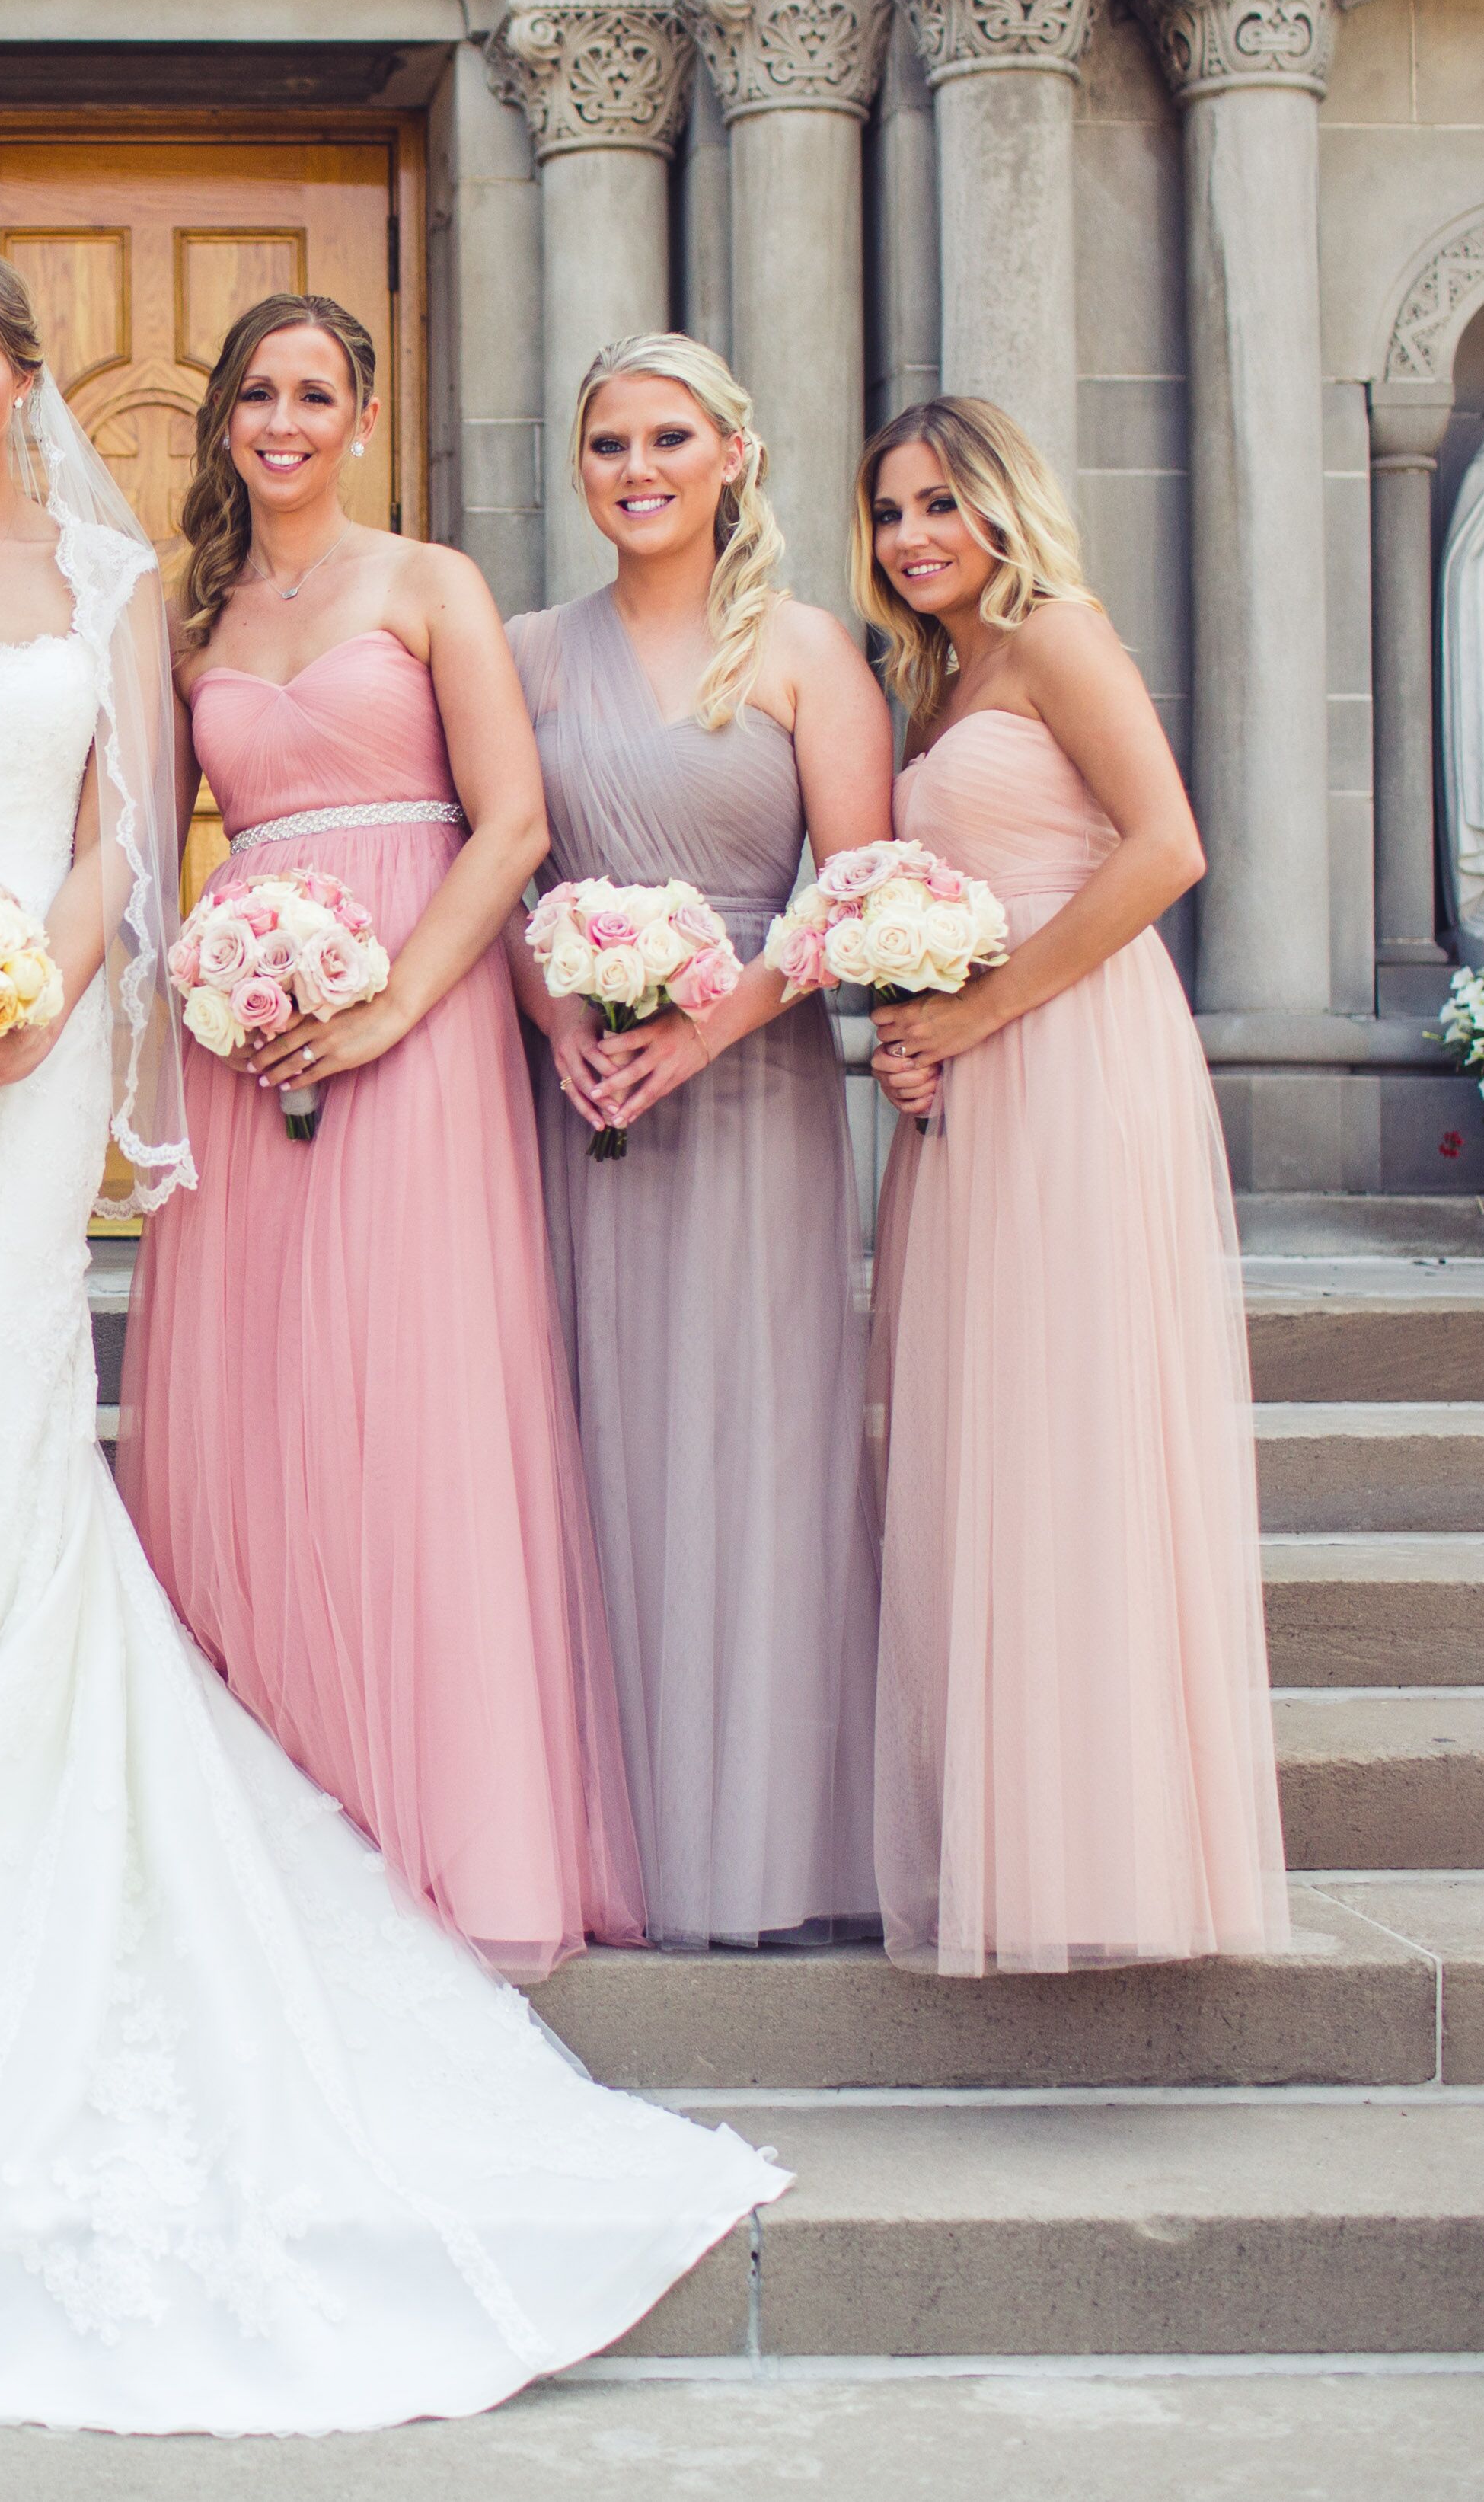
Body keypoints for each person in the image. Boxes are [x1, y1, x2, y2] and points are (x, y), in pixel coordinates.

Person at [0, 247, 783, 2439]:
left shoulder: (121, 577)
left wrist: (28, 977)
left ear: (28, 385)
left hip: (33, 1026)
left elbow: (134, 814)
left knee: (6, 1383)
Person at [114, 292, 636, 1979]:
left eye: (313, 392)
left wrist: (404, 1000)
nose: (281, 419)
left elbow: (514, 823)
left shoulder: (427, 583)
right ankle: (274, 1802)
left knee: (408, 1393)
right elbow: (142, 832)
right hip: (246, 1018)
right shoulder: (192, 611)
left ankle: (443, 1820)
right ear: (227, 421)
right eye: (255, 391)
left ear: (361, 414)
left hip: (413, 1007)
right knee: (249, 1400)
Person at [855, 395, 1291, 1977]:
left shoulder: (1055, 634)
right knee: (1000, 1444)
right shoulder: (941, 675)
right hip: (986, 1068)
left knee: (1078, 1436)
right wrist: (918, 1033)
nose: (912, 536)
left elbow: (1167, 844)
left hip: (1081, 1055)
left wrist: (978, 1007)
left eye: (939, 504)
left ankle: (1111, 1858)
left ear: (1003, 507)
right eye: (892, 510)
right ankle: (1016, 1834)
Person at [506, 334, 888, 1950]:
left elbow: (858, 892)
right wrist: (570, 1026)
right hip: (582, 1092)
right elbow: (505, 873)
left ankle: (753, 1846)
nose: (637, 468)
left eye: (670, 437)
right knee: (587, 1437)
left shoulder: (809, 651)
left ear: (736, 451)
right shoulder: (525, 651)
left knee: (754, 1439)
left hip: (753, 1091)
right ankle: (597, 1833)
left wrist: (706, 1027)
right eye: (608, 444)